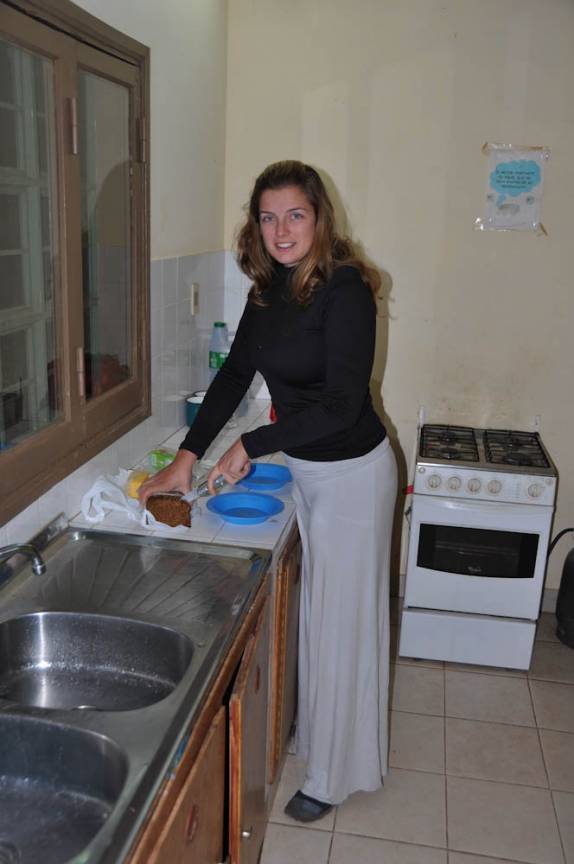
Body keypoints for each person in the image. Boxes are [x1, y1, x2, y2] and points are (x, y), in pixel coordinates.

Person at [139, 160, 397, 821]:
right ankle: (338, 746)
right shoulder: (267, 289)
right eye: (268, 216)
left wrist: (251, 445)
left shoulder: (345, 291)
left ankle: (333, 778)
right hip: (313, 472)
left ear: (320, 218)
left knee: (343, 621)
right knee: (328, 617)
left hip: (354, 473)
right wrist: (187, 458)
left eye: (295, 215)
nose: (281, 230)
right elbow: (233, 377)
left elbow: (341, 406)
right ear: (256, 225)